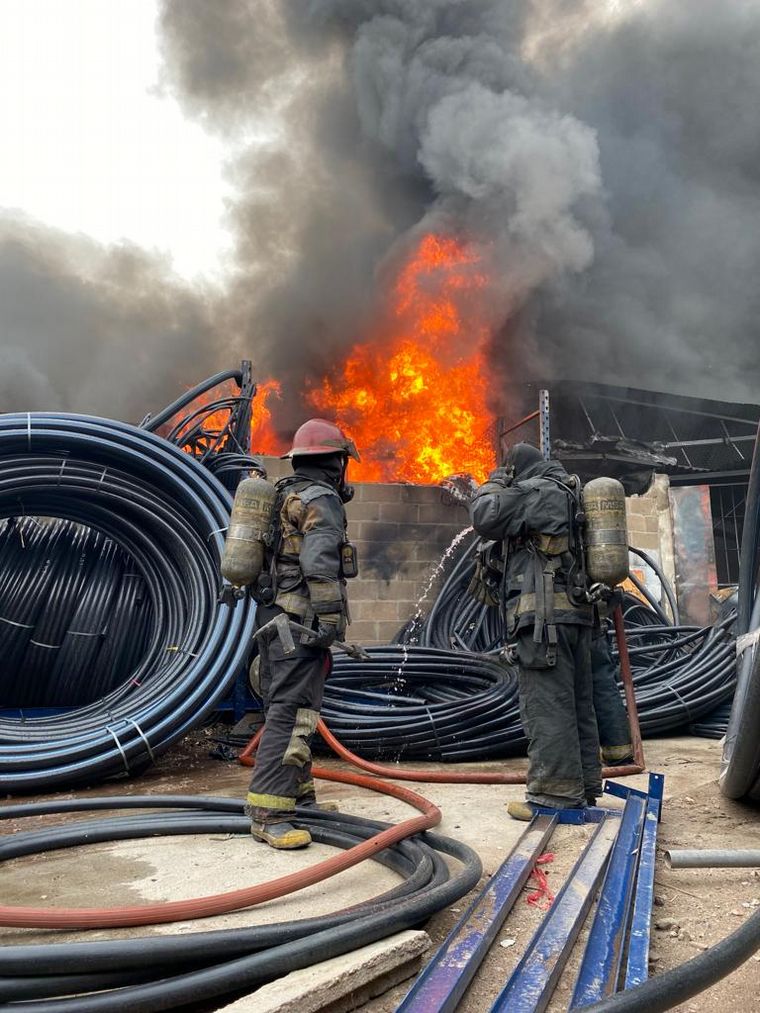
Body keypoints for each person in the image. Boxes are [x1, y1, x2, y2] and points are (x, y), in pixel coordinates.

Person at [470, 443, 602, 820]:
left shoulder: (537, 491)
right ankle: (585, 787)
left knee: (547, 706)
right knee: (577, 704)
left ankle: (554, 796)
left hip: (544, 620)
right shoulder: (569, 491)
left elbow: (484, 515)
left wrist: (496, 481)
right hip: (575, 618)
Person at [245, 418, 359, 849]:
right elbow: (319, 563)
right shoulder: (321, 500)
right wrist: (330, 618)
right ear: (335, 463)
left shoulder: (280, 494)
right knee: (291, 712)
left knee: (295, 707)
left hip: (273, 621)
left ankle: (298, 795)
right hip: (300, 625)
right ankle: (270, 813)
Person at [592, 595, 634, 765]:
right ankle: (619, 752)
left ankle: (580, 761)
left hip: (556, 626)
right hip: (594, 623)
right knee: (602, 684)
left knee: (563, 691)